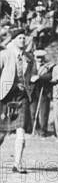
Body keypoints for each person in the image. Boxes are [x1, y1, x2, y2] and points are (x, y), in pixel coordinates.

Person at [0, 30, 36, 173]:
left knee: (21, 130)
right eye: (19, 38)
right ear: (13, 40)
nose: (22, 40)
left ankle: (17, 164)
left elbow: (31, 76)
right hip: (5, 96)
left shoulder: (29, 58)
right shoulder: (4, 55)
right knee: (2, 133)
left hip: (21, 97)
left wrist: (30, 85)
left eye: (24, 38)